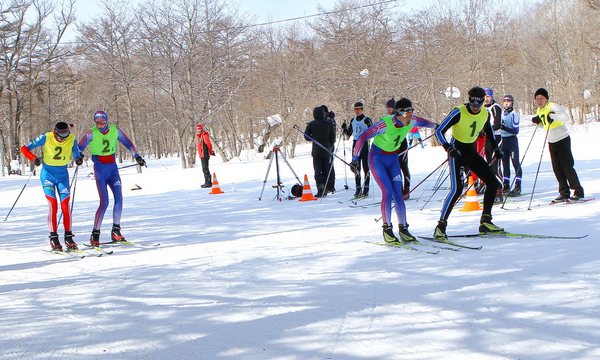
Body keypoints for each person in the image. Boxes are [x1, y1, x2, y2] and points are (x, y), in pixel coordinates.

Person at [351, 98, 436, 243]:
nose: (410, 116)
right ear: (398, 113)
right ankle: (387, 229)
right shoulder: (385, 124)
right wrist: (355, 159)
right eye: (407, 113)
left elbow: (431, 124)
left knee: (399, 193)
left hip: (393, 159)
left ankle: (403, 229)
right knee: (387, 191)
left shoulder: (412, 121)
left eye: (411, 112)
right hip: (377, 159)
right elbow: (363, 137)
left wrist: (440, 126)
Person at [433, 86, 505, 240]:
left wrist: (496, 148)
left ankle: (485, 221)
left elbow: (489, 130)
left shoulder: (485, 113)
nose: (474, 107)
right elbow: (439, 131)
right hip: (457, 152)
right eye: (472, 104)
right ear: (469, 101)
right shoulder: (458, 112)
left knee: (492, 183)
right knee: (457, 190)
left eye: (478, 105)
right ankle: (441, 226)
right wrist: (447, 147)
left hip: (471, 152)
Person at [78, 110, 146, 246]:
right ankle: (95, 234)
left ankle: (116, 231)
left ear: (107, 121)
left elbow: (128, 143)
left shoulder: (115, 130)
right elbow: (79, 147)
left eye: (103, 122)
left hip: (113, 169)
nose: (100, 125)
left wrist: (137, 156)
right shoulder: (91, 133)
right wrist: (78, 156)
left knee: (119, 199)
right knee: (104, 202)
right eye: (97, 123)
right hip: (100, 169)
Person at [20, 122, 83, 251]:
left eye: (65, 135)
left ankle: (68, 237)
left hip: (62, 176)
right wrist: (33, 158)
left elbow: (76, 153)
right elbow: (24, 148)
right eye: (60, 136)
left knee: (65, 205)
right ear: (55, 133)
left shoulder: (71, 139)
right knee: (53, 204)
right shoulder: (46, 137)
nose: (63, 139)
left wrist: (78, 159)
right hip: (48, 175)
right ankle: (53, 238)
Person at [532, 88, 584, 201]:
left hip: (562, 139)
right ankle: (564, 192)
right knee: (557, 169)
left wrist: (552, 116)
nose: (539, 101)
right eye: (537, 99)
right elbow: (545, 125)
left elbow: (565, 117)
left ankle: (578, 191)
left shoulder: (552, 106)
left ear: (546, 99)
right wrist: (538, 122)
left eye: (541, 98)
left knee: (567, 167)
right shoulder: (539, 110)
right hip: (551, 141)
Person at [341, 101, 372, 198]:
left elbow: (372, 132)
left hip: (364, 144)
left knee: (366, 167)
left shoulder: (367, 119)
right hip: (355, 144)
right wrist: (345, 129)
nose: (356, 111)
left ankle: (366, 189)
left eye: (358, 109)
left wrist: (369, 125)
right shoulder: (353, 120)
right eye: (355, 109)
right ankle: (358, 189)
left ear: (362, 109)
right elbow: (349, 134)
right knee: (356, 167)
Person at [304, 106, 336, 197]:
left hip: (316, 151)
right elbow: (333, 138)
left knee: (318, 170)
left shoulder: (311, 124)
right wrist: (329, 144)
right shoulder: (329, 124)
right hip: (327, 150)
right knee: (327, 170)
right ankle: (326, 187)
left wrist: (314, 137)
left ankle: (320, 189)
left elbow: (306, 137)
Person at [385, 98, 411, 199]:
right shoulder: (388, 119)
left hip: (402, 144)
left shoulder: (400, 116)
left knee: (403, 166)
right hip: (392, 145)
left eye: (390, 107)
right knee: (394, 168)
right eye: (387, 107)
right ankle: (398, 190)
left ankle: (407, 189)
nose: (388, 109)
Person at [483, 88, 504, 202]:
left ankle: (499, 190)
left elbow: (497, 124)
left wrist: (486, 131)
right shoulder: (484, 108)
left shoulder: (495, 107)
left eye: (488, 97)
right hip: (488, 139)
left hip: (496, 138)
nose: (486, 99)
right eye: (485, 97)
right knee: (489, 165)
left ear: (492, 97)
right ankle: (492, 189)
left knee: (495, 165)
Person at [499, 94, 522, 196]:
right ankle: (506, 185)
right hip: (503, 141)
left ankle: (518, 185)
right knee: (505, 164)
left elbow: (516, 131)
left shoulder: (514, 114)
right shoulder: (502, 113)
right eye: (504, 101)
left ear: (512, 102)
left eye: (508, 101)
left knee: (515, 163)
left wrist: (504, 128)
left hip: (512, 141)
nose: (506, 102)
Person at [321, 104, 337, 194]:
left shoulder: (328, 119)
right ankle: (330, 185)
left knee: (328, 165)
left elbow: (331, 133)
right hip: (328, 145)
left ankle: (330, 185)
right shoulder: (330, 119)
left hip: (328, 145)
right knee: (329, 165)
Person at [196, 123, 215, 188]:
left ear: (202, 129)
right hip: (202, 154)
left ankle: (208, 182)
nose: (198, 130)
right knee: (204, 168)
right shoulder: (199, 136)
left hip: (205, 154)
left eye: (199, 129)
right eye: (197, 129)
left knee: (205, 168)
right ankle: (206, 181)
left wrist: (211, 151)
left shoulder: (204, 135)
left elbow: (208, 144)